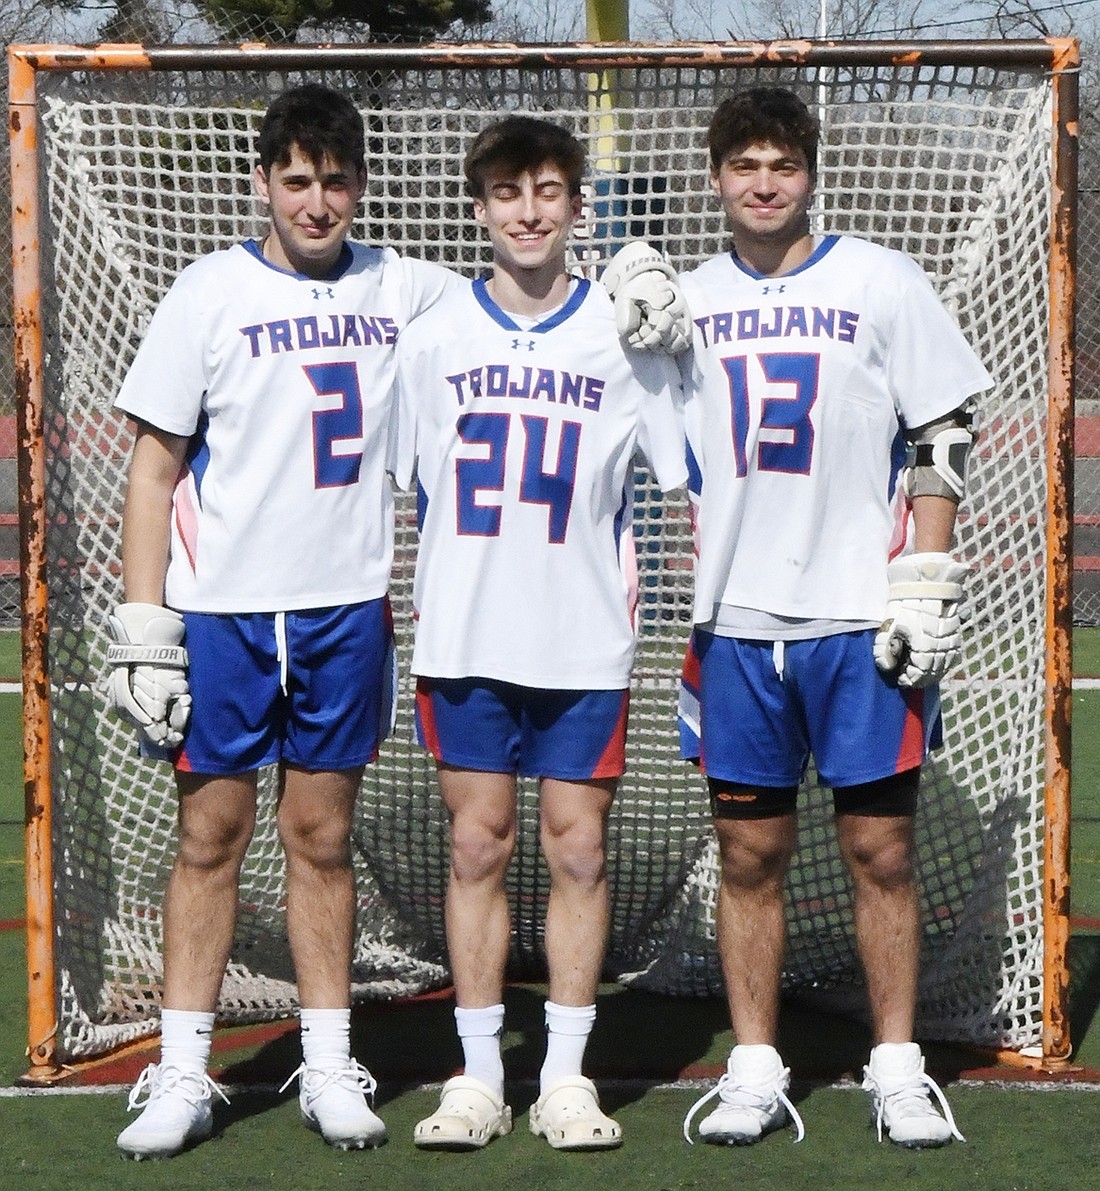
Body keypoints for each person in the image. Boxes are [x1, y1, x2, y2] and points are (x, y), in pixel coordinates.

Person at [104, 86, 688, 1160]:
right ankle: (183, 1071)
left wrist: (632, 268)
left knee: (323, 840)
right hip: (224, 610)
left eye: (334, 181)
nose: (316, 202)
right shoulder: (207, 291)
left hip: (345, 607)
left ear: (360, 190)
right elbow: (152, 468)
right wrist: (144, 617)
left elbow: (529, 288)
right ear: (262, 184)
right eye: (295, 180)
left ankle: (328, 1058)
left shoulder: (404, 289)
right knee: (209, 836)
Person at [676, 87, 991, 1149]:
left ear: (809, 173)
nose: (763, 183)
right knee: (748, 853)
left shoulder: (878, 278)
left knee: (880, 851)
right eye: (743, 164)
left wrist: (927, 568)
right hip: (733, 620)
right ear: (715, 176)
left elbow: (941, 418)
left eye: (782, 163)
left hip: (859, 617)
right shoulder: (683, 300)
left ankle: (895, 1064)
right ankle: (755, 1065)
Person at [392, 115, 687, 1152]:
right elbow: (394, 482)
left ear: (574, 205)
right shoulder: (432, 338)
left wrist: (679, 327)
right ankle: (475, 1076)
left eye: (549, 191)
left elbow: (682, 464)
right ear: (479, 207)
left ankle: (564, 1075)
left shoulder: (619, 332)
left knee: (578, 850)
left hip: (580, 640)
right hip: (467, 637)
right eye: (509, 193)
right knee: (475, 846)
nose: (528, 211)